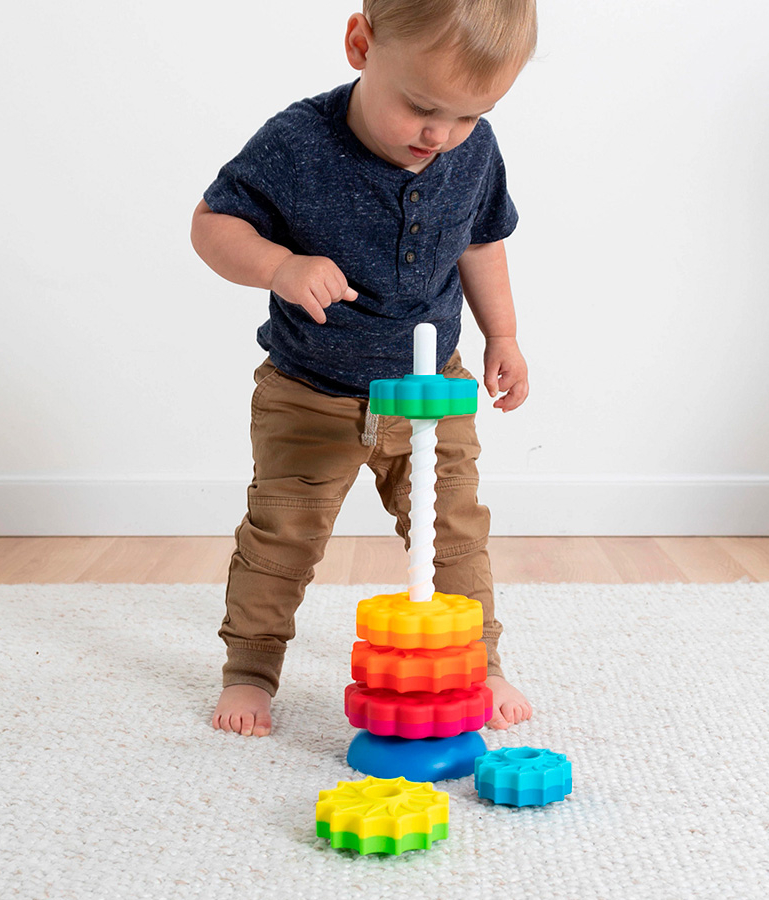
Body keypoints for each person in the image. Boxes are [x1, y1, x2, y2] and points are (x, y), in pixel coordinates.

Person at [191, 0, 536, 737]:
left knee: (452, 531)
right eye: (421, 107)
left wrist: (502, 335)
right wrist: (279, 266)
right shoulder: (297, 142)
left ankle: (477, 659)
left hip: (431, 391)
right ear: (361, 44)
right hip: (310, 392)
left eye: (469, 115)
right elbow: (213, 223)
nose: (440, 135)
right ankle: (250, 667)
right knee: (282, 535)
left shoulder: (473, 150)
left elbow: (481, 242)